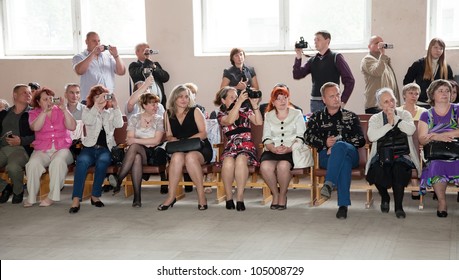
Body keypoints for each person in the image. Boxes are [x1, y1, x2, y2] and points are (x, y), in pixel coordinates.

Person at [304, 82, 365, 219]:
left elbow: (361, 140)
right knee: (344, 164)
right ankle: (343, 206)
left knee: (340, 147)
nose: (337, 98)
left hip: (351, 152)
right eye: (332, 96)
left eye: (338, 94)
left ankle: (329, 183)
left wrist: (340, 145)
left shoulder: (351, 116)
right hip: (327, 156)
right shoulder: (316, 117)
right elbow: (308, 137)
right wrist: (324, 143)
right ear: (324, 100)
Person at [365, 88, 421, 218]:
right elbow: (372, 137)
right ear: (380, 105)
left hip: (402, 155)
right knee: (376, 171)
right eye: (386, 102)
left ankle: (399, 207)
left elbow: (411, 130)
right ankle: (385, 197)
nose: (390, 104)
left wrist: (395, 119)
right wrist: (388, 125)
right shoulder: (375, 118)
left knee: (399, 169)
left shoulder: (404, 114)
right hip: (381, 155)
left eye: (392, 100)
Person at [68, 85, 124, 214]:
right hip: (89, 147)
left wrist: (116, 106)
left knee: (103, 161)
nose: (100, 99)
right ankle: (76, 199)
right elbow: (87, 121)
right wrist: (96, 107)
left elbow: (119, 124)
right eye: (97, 96)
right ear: (92, 98)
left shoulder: (110, 112)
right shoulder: (87, 110)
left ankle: (95, 195)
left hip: (106, 148)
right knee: (81, 162)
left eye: (103, 96)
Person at [157, 85, 213, 211]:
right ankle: (171, 197)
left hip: (200, 148)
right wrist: (172, 139)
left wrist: (186, 141)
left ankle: (201, 195)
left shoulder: (195, 111)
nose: (184, 99)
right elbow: (169, 135)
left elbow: (203, 133)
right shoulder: (168, 114)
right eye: (180, 96)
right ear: (174, 98)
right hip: (181, 148)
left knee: (191, 157)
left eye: (186, 96)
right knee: (176, 157)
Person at [109, 93, 166, 207]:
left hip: (153, 154)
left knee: (134, 147)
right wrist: (137, 141)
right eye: (152, 104)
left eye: (156, 104)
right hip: (138, 153)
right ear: (144, 105)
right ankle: (137, 198)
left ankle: (119, 179)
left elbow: (155, 141)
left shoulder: (160, 119)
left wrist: (136, 140)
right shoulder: (134, 118)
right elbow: (129, 139)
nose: (156, 106)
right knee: (136, 157)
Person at [24, 87, 76, 207]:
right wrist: (44, 113)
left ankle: (52, 196)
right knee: (32, 164)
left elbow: (72, 127)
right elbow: (35, 127)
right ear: (38, 102)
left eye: (50, 98)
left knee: (57, 162)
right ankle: (31, 197)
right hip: (42, 149)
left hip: (62, 148)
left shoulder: (61, 110)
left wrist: (65, 110)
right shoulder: (33, 113)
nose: (48, 101)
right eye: (45, 99)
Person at [213, 86, 263, 211]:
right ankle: (229, 197)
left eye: (236, 96)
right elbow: (230, 120)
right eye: (232, 97)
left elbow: (259, 122)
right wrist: (239, 102)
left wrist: (254, 105)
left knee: (241, 160)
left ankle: (240, 197)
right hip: (231, 146)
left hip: (247, 145)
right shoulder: (220, 113)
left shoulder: (245, 110)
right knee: (228, 162)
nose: (235, 99)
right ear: (223, 100)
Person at [259, 86, 305, 210]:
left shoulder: (297, 113)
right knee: (265, 167)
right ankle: (275, 194)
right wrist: (272, 148)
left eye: (285, 98)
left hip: (291, 150)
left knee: (283, 166)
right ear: (273, 102)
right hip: (273, 149)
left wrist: (289, 148)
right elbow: (266, 138)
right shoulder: (268, 115)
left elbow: (301, 136)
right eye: (278, 99)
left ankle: (283, 195)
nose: (282, 101)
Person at [418, 79, 459, 218]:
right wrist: (436, 137)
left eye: (447, 91)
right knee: (436, 165)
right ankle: (442, 202)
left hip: (457, 149)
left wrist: (446, 134)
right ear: (432, 94)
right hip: (436, 153)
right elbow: (422, 139)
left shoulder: (457, 109)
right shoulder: (426, 115)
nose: (445, 93)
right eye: (440, 91)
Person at [293, 30, 355, 113]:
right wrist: (298, 55)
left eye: (318, 40)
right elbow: (297, 75)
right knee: (317, 125)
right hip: (315, 102)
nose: (315, 42)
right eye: (314, 40)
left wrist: (343, 101)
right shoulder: (312, 60)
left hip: (332, 100)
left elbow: (349, 80)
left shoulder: (336, 57)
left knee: (333, 125)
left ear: (327, 40)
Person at [0, 84, 34, 204]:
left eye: (30, 93)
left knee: (13, 167)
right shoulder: (4, 113)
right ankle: (5, 186)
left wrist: (21, 140)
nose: (28, 95)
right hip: (3, 149)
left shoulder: (33, 113)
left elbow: (39, 135)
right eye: (25, 92)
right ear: (15, 95)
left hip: (21, 149)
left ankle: (18, 191)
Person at [72, 31, 126, 101]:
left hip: (108, 99)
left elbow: (121, 72)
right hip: (90, 100)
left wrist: (116, 56)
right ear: (86, 42)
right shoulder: (79, 57)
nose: (97, 43)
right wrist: (93, 53)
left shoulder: (108, 56)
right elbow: (79, 71)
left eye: (99, 41)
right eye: (94, 41)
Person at [403, 38, 453, 109]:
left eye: (441, 48)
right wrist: (412, 97)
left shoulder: (447, 67)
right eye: (435, 47)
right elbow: (407, 82)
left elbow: (451, 86)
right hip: (420, 104)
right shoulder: (418, 64)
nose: (438, 50)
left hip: (439, 105)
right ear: (430, 48)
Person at [361, 35, 400, 114]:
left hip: (389, 104)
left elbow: (392, 84)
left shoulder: (384, 60)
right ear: (369, 46)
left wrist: (396, 103)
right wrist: (382, 55)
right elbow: (377, 72)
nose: (380, 45)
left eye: (381, 43)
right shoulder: (367, 59)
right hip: (376, 106)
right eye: (377, 43)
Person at [129, 42, 170, 108]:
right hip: (144, 104)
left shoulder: (155, 64)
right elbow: (139, 75)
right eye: (143, 50)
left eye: (147, 50)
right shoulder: (134, 65)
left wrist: (155, 67)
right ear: (137, 53)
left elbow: (166, 77)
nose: (146, 52)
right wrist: (147, 61)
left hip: (160, 103)